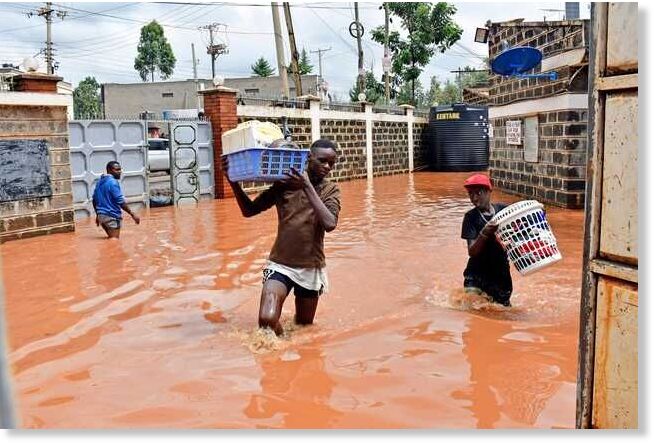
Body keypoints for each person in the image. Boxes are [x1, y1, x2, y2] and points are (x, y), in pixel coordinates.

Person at [223, 139, 341, 336]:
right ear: (308, 159)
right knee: (267, 321)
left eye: (332, 163)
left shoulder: (331, 190)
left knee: (303, 327)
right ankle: (280, 346)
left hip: (311, 267)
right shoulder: (283, 184)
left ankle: (291, 352)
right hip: (281, 264)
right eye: (322, 161)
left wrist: (306, 186)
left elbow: (330, 224)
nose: (327, 167)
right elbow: (249, 210)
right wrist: (232, 182)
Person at [460, 173, 512, 306]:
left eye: (478, 193)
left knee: (503, 313)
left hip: (500, 275)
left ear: (489, 191)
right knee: (472, 308)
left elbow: (522, 227)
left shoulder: (504, 211)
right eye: (471, 194)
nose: (474, 198)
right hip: (477, 275)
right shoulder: (471, 218)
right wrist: (484, 233)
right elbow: (472, 252)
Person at [92, 161, 140, 239]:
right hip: (111, 217)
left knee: (110, 240)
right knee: (114, 241)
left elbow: (94, 200)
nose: (120, 172)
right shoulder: (113, 182)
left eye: (120, 169)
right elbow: (120, 201)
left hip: (102, 217)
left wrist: (98, 215)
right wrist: (132, 214)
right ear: (109, 170)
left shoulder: (99, 182)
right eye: (117, 170)